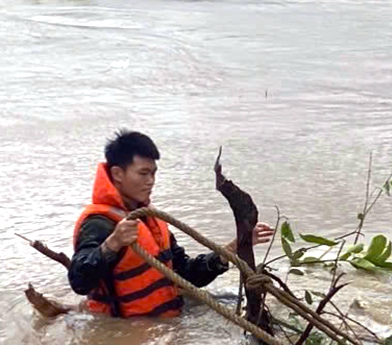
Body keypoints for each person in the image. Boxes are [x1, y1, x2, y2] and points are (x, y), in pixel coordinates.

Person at [69, 130, 274, 318]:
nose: (151, 181)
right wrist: (112, 244)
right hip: (125, 330)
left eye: (153, 173)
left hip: (165, 323)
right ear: (117, 174)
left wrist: (234, 247)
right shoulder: (99, 224)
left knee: (236, 303)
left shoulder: (151, 219)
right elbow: (79, 281)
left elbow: (186, 273)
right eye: (143, 173)